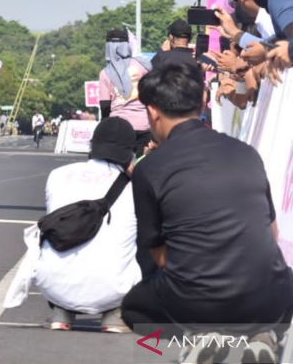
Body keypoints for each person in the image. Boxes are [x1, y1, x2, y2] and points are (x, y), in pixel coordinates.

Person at [121, 59, 293, 351]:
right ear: (203, 102)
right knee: (275, 281)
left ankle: (200, 336)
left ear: (152, 112)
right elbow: (272, 234)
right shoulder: (246, 153)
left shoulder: (150, 168)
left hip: (196, 302)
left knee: (134, 309)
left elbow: (158, 254)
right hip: (271, 298)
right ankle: (263, 336)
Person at [35, 117, 139, 333]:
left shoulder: (57, 175)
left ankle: (61, 312)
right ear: (130, 152)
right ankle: (115, 314)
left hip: (52, 285)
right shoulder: (136, 185)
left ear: (93, 145)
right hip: (113, 288)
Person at [99, 28, 152, 154]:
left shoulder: (105, 73)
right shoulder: (143, 66)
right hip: (144, 125)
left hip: (119, 128)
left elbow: (105, 106)